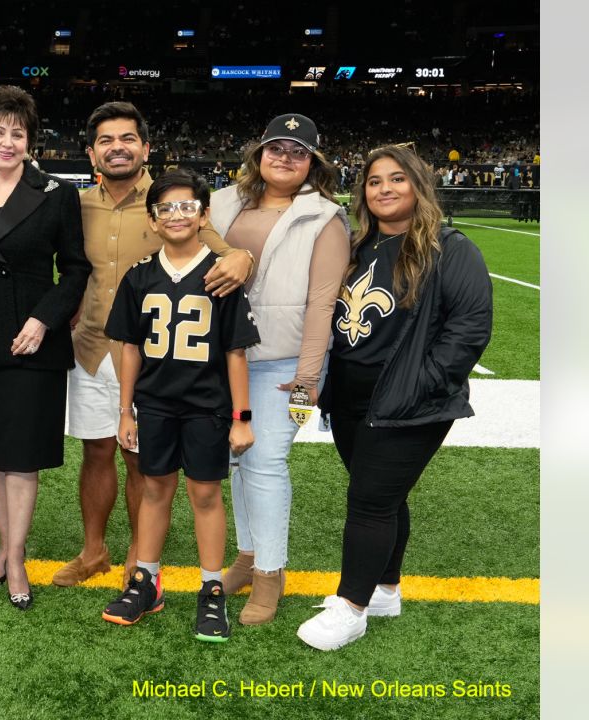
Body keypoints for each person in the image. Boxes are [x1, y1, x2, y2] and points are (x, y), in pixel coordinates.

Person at [297, 144, 492, 651]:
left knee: (368, 502)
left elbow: (469, 330)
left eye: (397, 179)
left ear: (419, 186)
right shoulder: (358, 247)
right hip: (348, 401)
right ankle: (384, 589)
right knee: (383, 497)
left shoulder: (450, 248)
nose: (384, 188)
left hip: (408, 403)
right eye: (374, 180)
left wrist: (421, 385)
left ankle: (351, 607)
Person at [56, 102, 252, 590]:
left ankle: (137, 557)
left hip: (148, 353)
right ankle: (93, 550)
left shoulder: (170, 202)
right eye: (105, 140)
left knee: (140, 458)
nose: (116, 147)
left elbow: (224, 256)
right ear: (91, 152)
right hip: (89, 346)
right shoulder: (77, 205)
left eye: (127, 138)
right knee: (96, 452)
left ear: (145, 147)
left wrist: (244, 257)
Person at [0, 85, 91, 610]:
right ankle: (4, 551)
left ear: (30, 141)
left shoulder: (56, 192)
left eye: (18, 133)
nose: (8, 141)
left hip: (34, 344)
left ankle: (17, 557)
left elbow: (76, 269)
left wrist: (44, 319)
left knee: (22, 457)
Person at [102, 170, 259, 641]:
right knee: (154, 489)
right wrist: (126, 410)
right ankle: (146, 581)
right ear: (152, 220)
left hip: (207, 407)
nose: (176, 215)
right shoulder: (140, 276)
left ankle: (212, 590)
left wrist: (241, 417)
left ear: (204, 214)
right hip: (155, 405)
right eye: (165, 208)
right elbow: (130, 347)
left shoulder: (221, 274)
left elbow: (235, 351)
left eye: (186, 206)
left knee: (206, 495)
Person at [207, 113, 350, 626]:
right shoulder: (222, 203)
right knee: (241, 462)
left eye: (298, 151)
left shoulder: (325, 217)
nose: (285, 157)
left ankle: (270, 574)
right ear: (259, 153)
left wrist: (310, 374)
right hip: (226, 358)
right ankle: (247, 558)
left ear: (312, 162)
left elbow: (321, 302)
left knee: (266, 463)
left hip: (284, 362)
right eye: (277, 147)